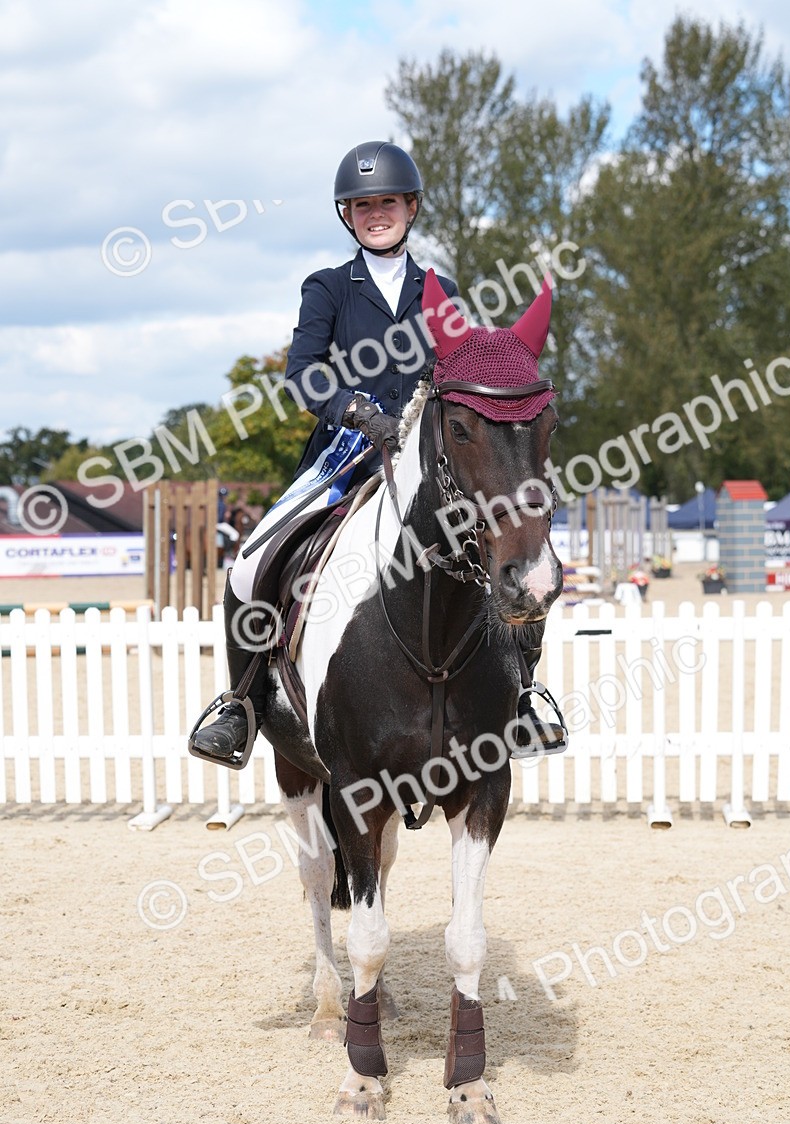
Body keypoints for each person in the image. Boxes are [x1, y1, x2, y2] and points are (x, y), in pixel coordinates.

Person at [190, 140, 566, 766]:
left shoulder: (440, 288)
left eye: (387, 202)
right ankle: (242, 705)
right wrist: (357, 412)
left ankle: (522, 696)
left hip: (429, 461)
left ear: (411, 207)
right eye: (362, 205)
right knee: (251, 562)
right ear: (348, 215)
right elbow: (304, 372)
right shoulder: (330, 288)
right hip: (345, 454)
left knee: (519, 545)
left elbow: (462, 369)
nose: (376, 214)